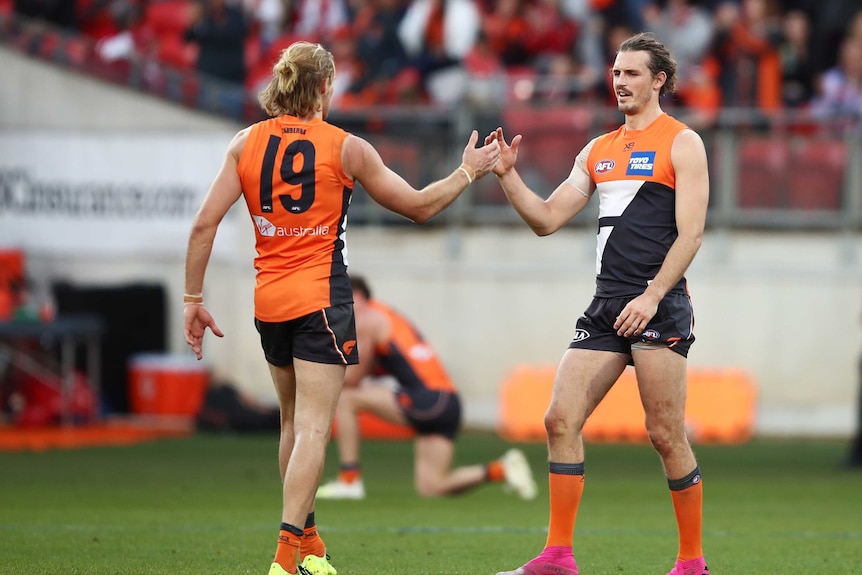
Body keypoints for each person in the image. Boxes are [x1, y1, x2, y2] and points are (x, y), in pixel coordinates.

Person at [182, 41, 500, 575]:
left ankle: (310, 547)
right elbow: (419, 206)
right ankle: (287, 555)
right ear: (327, 87)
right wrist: (469, 171)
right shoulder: (346, 148)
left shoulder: (244, 143)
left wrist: (193, 299)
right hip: (322, 299)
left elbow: (202, 225)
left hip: (270, 300)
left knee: (291, 424)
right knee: (313, 427)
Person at [486, 32, 710, 575]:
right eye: (615, 72)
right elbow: (545, 220)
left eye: (632, 73)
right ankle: (558, 557)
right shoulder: (598, 150)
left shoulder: (683, 142)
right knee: (559, 418)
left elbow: (692, 235)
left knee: (664, 434)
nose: (620, 81)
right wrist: (508, 175)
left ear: (659, 80)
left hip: (659, 306)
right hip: (606, 307)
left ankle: (691, 564)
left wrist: (653, 296)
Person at [316, 275, 537, 500]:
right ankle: (501, 469)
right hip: (447, 403)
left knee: (346, 397)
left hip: (429, 399)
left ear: (358, 295)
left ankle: (349, 479)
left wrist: (313, 377)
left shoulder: (368, 318)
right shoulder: (385, 315)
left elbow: (353, 378)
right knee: (431, 486)